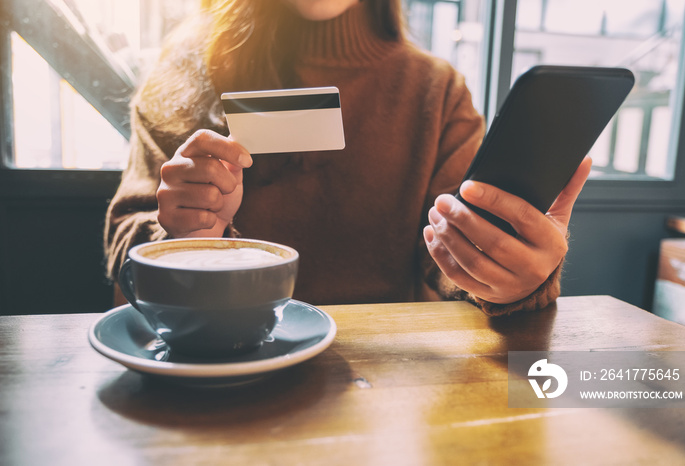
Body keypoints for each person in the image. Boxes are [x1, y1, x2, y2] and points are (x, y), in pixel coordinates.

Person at [104, 0, 591, 316]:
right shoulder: (189, 64)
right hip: (216, 371)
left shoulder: (435, 92)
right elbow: (126, 253)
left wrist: (507, 280)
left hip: (385, 396)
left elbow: (449, 267)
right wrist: (184, 241)